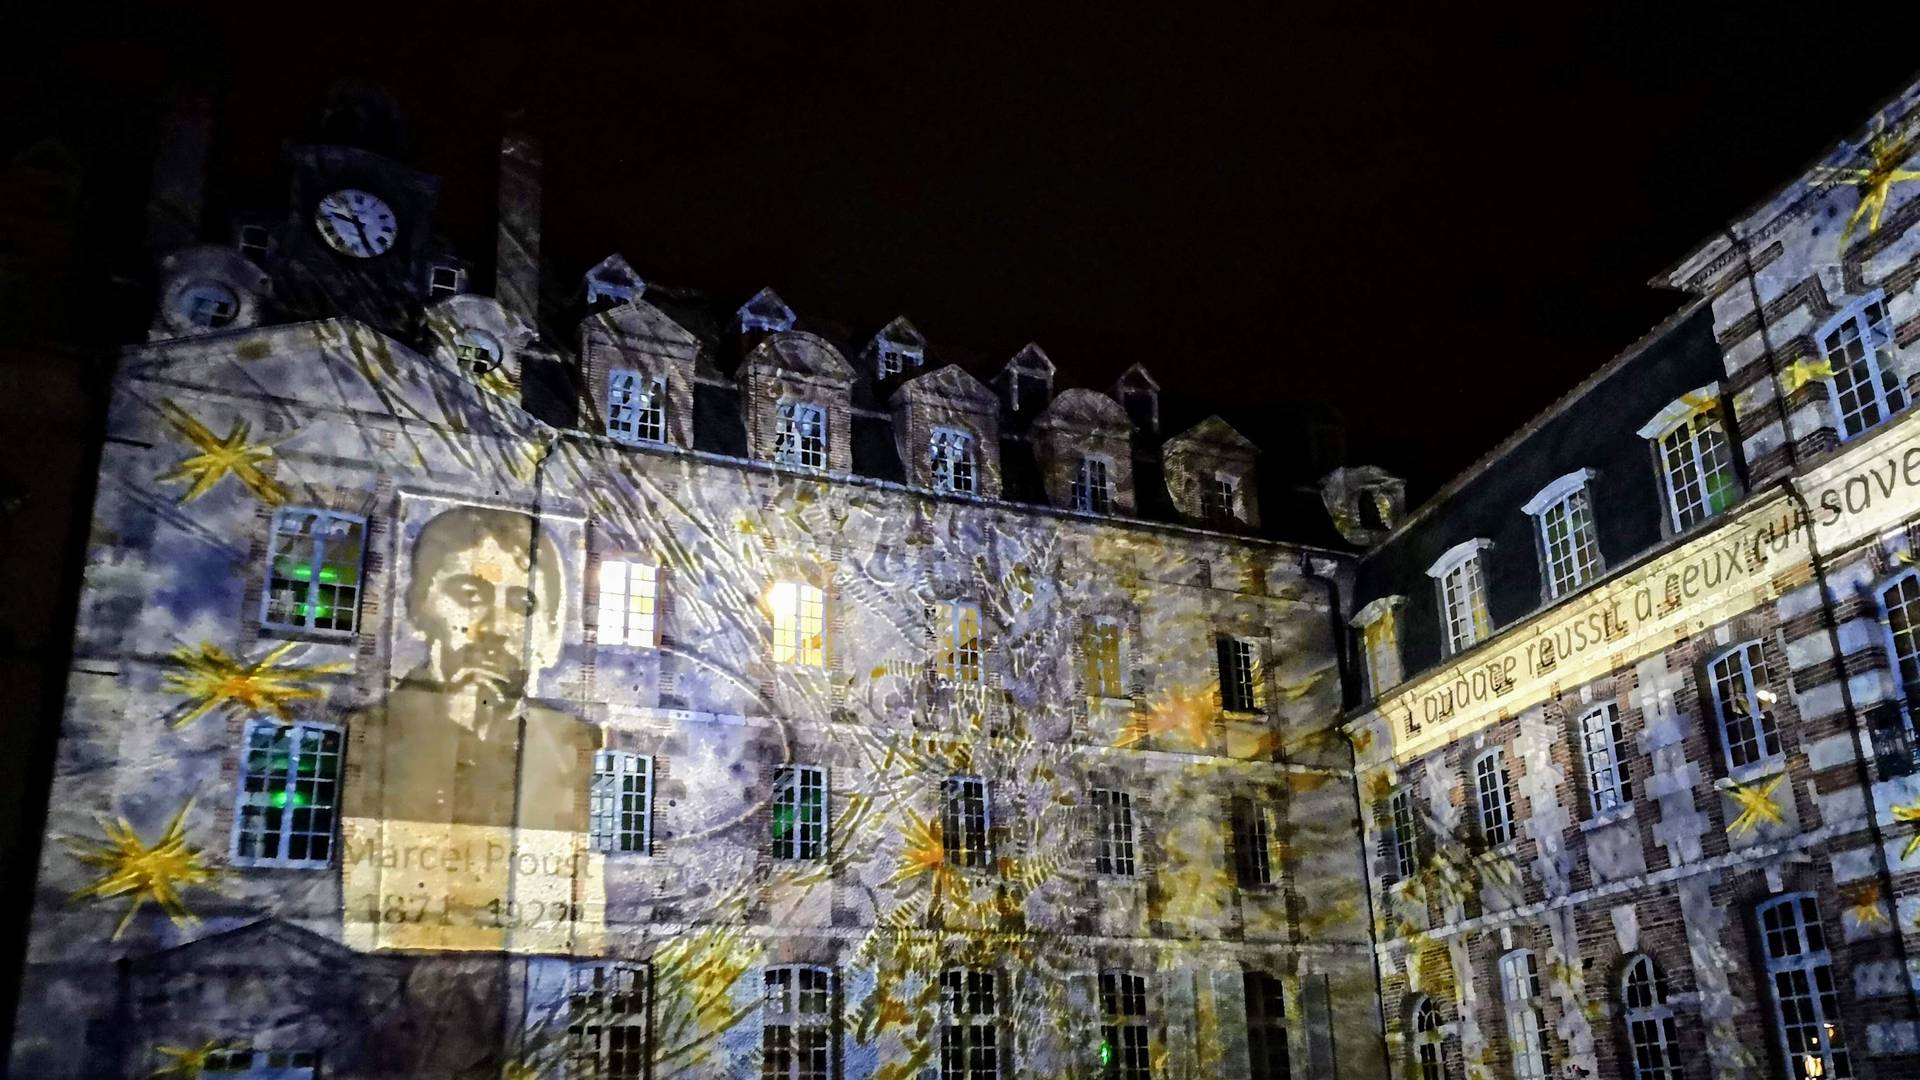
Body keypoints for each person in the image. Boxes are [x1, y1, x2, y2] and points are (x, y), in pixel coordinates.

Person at [342, 505, 601, 952]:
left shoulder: (571, 745)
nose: (497, 627)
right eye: (469, 593)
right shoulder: (372, 734)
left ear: (551, 633)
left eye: (523, 604)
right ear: (419, 606)